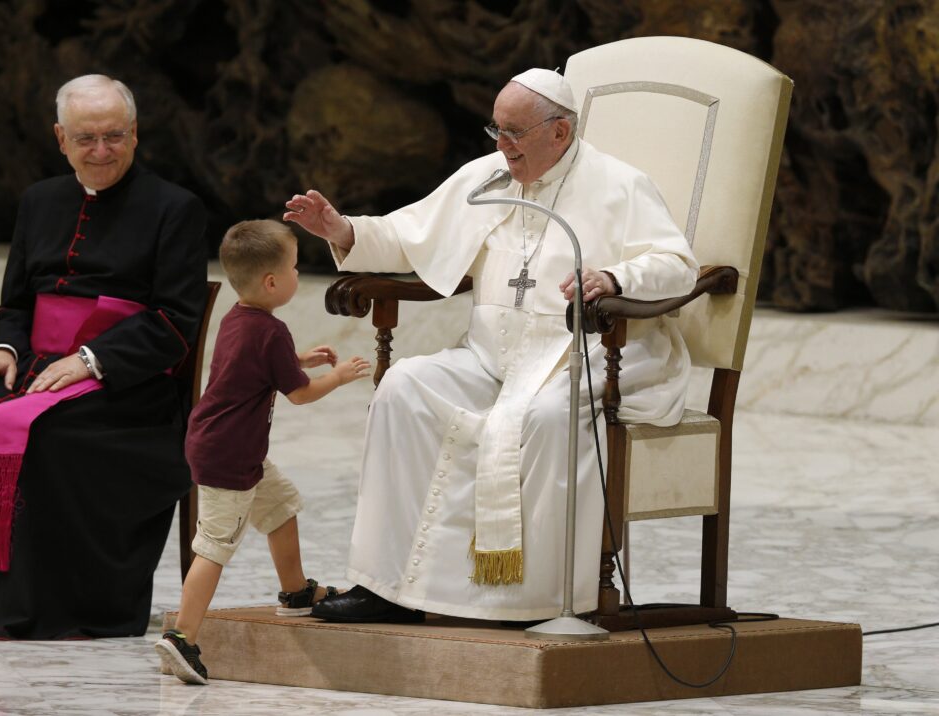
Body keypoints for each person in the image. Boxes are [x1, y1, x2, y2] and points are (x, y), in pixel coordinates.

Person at [283, 68, 700, 623]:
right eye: (496, 130)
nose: (502, 145)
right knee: (403, 387)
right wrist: (343, 231)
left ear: (560, 132)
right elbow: (410, 233)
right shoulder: (487, 176)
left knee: (547, 416)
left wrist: (615, 277)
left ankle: (539, 601)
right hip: (492, 357)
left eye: (514, 132)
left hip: (583, 355)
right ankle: (387, 588)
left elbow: (678, 265)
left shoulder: (621, 185)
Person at [0, 75, 208, 638]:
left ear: (135, 134)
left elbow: (176, 321)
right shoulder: (39, 200)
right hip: (35, 367)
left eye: (114, 136)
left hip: (128, 386)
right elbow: (17, 301)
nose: (101, 151)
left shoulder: (176, 208)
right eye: (86, 138)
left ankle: (41, 602)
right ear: (60, 138)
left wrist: (91, 359)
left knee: (51, 433)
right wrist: (1, 347)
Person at [155, 220, 370, 684]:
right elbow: (301, 394)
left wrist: (299, 360)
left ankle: (295, 592)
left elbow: (256, 368)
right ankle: (182, 637)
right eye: (294, 268)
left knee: (281, 506)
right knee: (215, 546)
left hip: (228, 447)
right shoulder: (271, 331)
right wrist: (338, 376)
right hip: (230, 457)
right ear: (272, 282)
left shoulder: (238, 318)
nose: (298, 274)